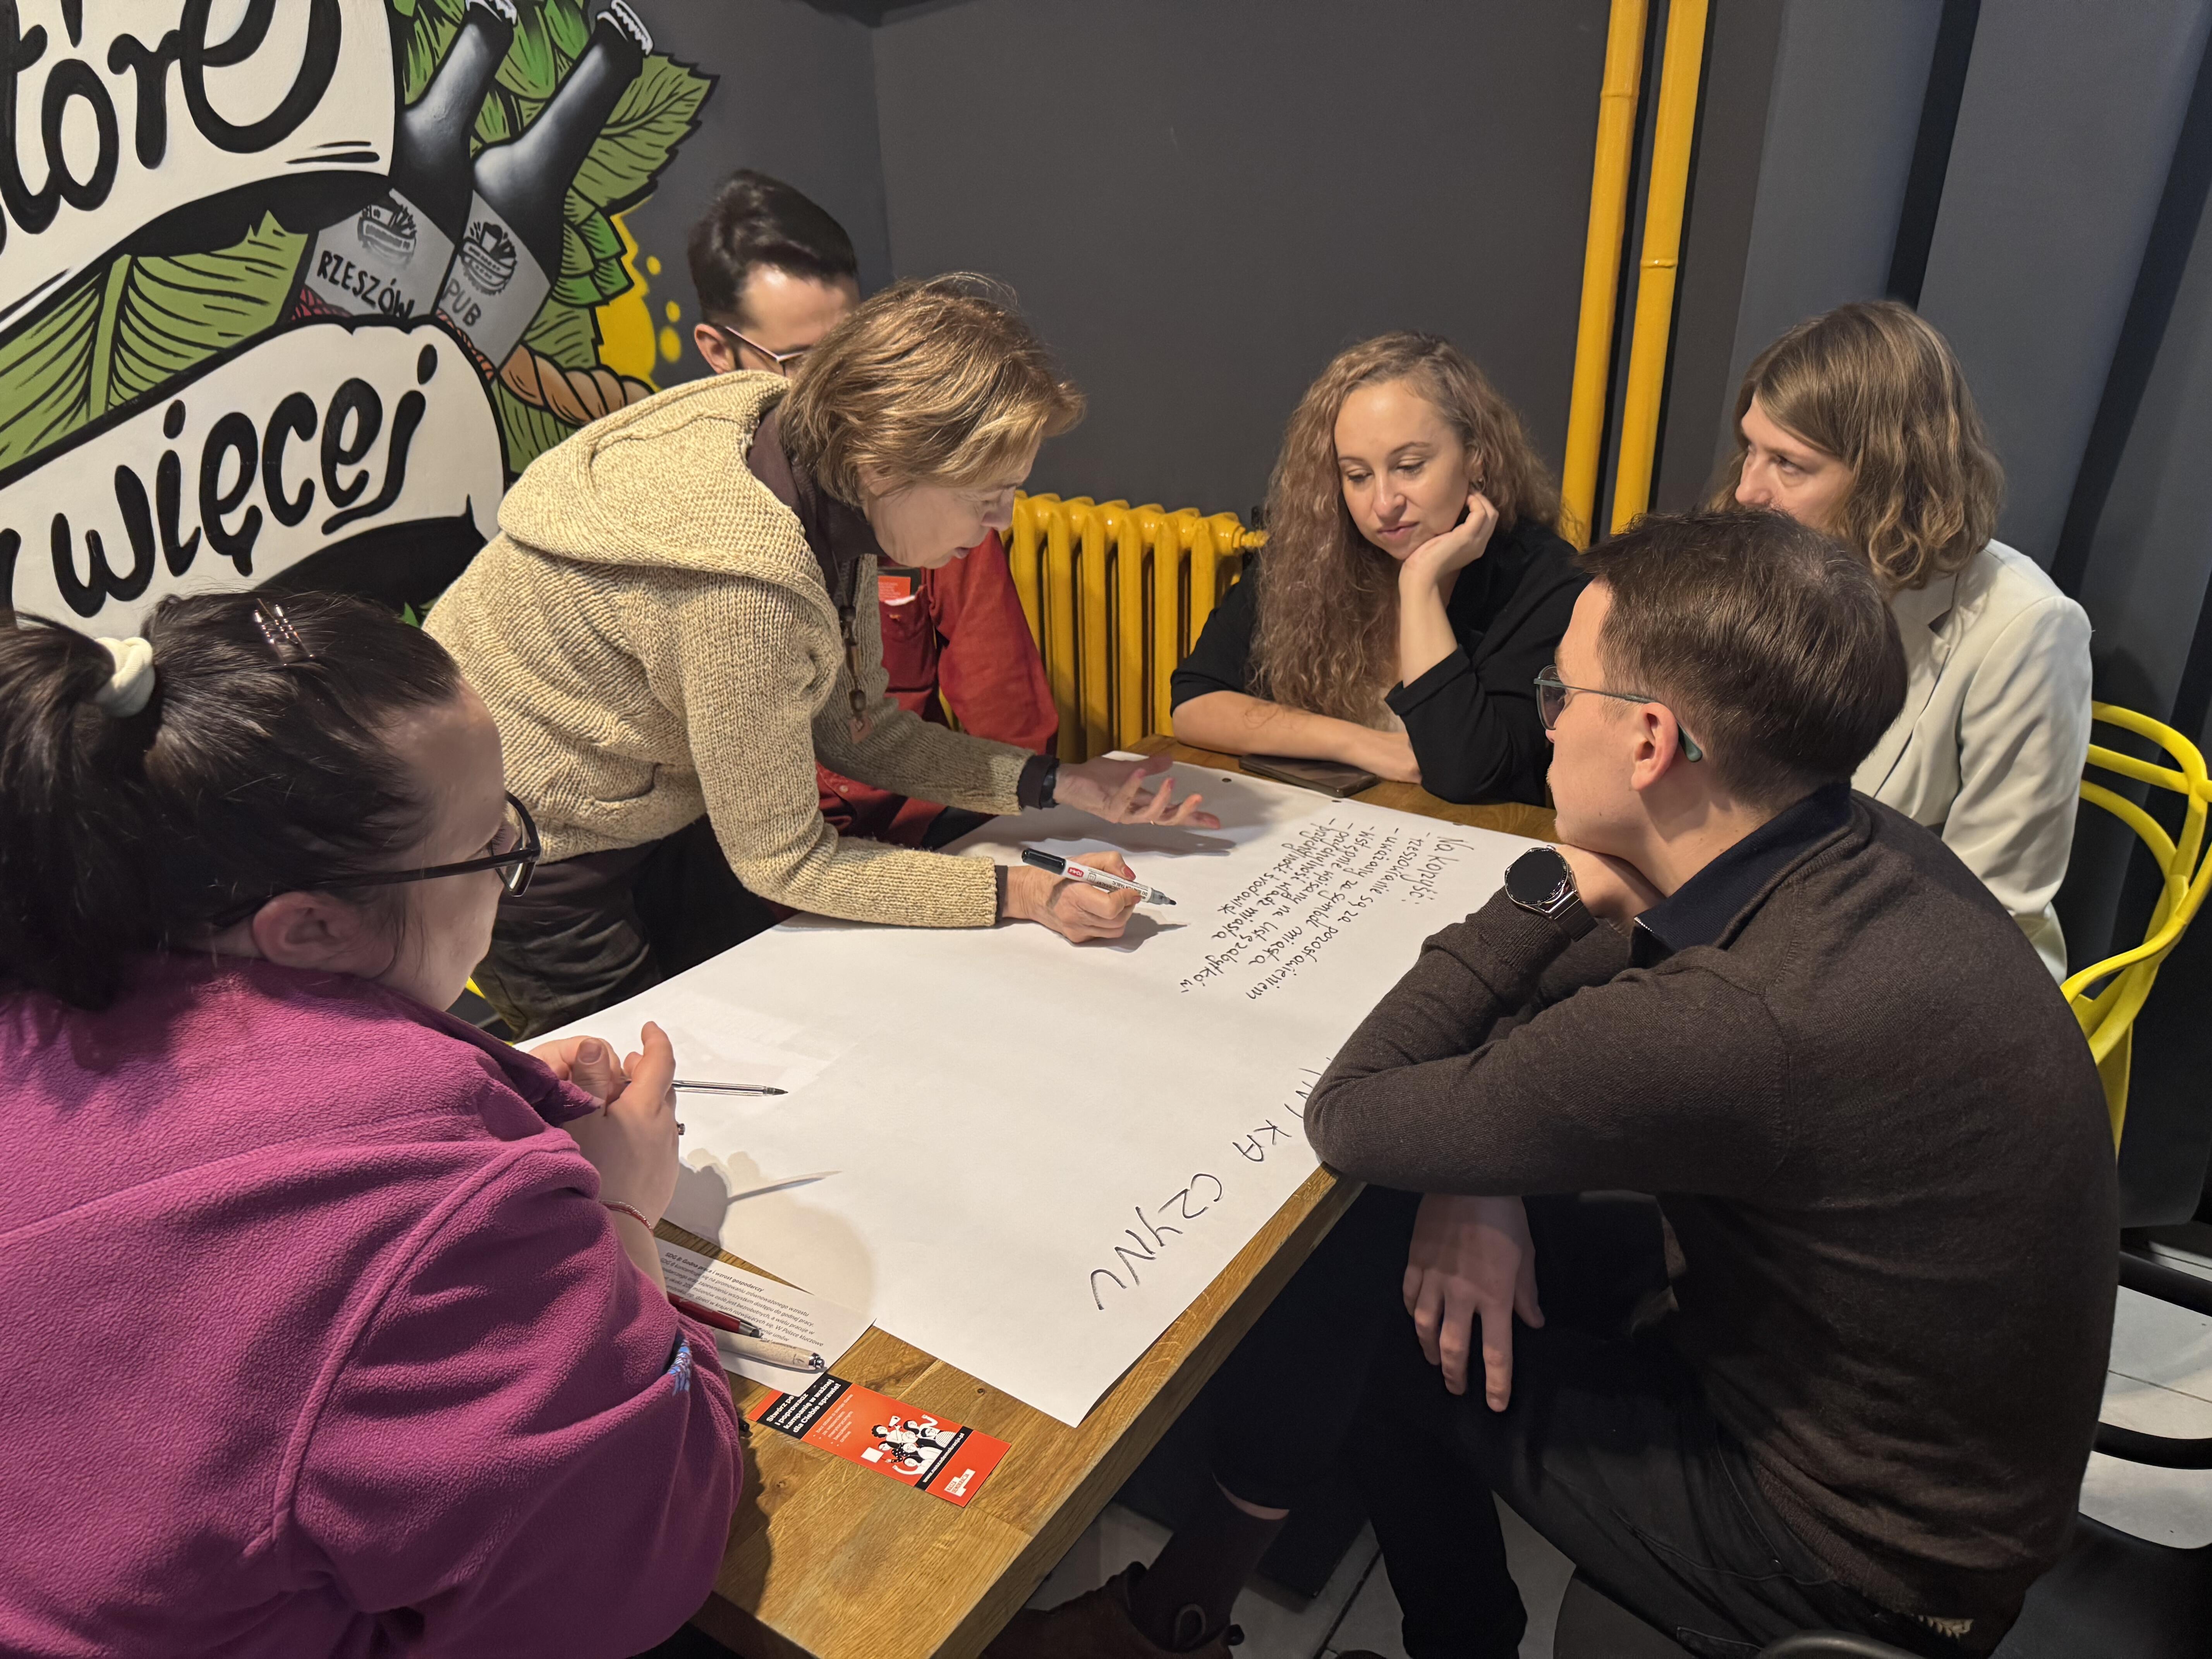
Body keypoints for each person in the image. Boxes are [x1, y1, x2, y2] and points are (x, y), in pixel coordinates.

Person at [994, 510, 2116, 1659]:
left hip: (1862, 1559)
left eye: (1558, 694)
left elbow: (1355, 1111)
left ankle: (1408, 1638)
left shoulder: (1736, 1023)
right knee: (1406, 1257)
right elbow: (1586, 988)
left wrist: (1543, 889)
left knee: (1373, 1307)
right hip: (1932, 1448)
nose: (1545, 724)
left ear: (1649, 740)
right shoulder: (1848, 845)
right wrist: (1478, 1180)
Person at [0, 592, 742, 1658]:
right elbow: (631, 1565)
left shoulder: (52, 980)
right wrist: (623, 1207)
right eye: (488, 847)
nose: (509, 867)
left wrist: (472, 1119)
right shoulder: (419, 1208)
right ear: (310, 929)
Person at [428, 276, 1214, 1039]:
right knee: (640, 1082)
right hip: (532, 850)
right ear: (883, 465)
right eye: (985, 497)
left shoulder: (804, 452)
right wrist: (1025, 892)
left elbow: (858, 731)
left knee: (758, 1018)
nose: (1003, 522)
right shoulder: (745, 591)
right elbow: (788, 863)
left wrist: (1058, 783)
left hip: (652, 797)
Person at [1720, 299, 2093, 979]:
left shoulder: (2028, 627)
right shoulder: (1784, 572)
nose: (1747, 491)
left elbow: (1992, 907)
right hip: (1771, 925)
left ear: (1888, 476)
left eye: (1788, 464)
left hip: (1935, 968)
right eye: (1751, 449)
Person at [688, 170, 1059, 847]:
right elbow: (766, 843)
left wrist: (1035, 805)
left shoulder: (931, 505)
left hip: (909, 827)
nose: (846, 392)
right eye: (803, 360)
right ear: (719, 350)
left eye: (855, 349)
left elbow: (1006, 714)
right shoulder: (716, 538)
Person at [1170, 333, 1585, 804]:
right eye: (1358, 476)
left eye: (1409, 466)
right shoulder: (1313, 554)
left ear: (1476, 458)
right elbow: (1195, 703)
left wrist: (1420, 583)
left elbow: (1467, 774)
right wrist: (1362, 745)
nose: (1384, 504)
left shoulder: (1545, 581)